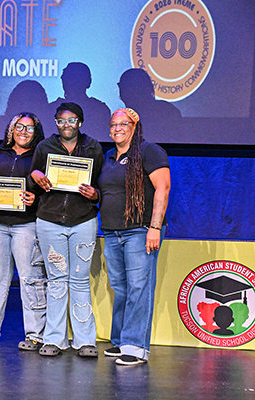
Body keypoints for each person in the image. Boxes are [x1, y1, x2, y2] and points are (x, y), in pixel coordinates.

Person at [29, 102, 103, 358]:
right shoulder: (44, 146)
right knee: (57, 282)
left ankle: (84, 341)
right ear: (56, 123)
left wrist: (96, 194)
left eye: (72, 120)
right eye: (61, 121)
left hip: (83, 219)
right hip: (50, 220)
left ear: (80, 122)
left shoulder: (94, 147)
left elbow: (103, 185)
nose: (67, 125)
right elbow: (33, 175)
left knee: (80, 282)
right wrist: (36, 175)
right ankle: (54, 339)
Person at [99, 108, 170, 366]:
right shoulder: (108, 157)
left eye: (123, 124)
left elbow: (163, 187)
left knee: (139, 287)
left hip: (139, 230)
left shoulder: (149, 151)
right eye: (113, 124)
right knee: (121, 288)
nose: (117, 128)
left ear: (135, 125)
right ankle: (120, 341)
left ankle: (136, 347)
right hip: (111, 230)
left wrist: (155, 227)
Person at [0, 112, 47, 350]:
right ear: (11, 130)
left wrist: (36, 198)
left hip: (27, 225)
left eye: (29, 128)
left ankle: (35, 334)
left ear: (37, 132)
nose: (23, 131)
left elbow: (50, 192)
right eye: (19, 127)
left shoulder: (41, 157)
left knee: (31, 280)